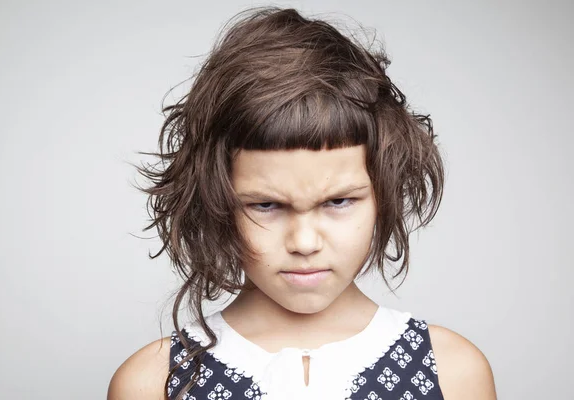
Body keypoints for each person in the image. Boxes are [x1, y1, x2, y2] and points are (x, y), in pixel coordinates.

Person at [107, 6, 497, 400]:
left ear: (384, 192)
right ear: (214, 199)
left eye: (339, 201)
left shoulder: (452, 372)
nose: (305, 242)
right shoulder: (153, 382)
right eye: (266, 206)